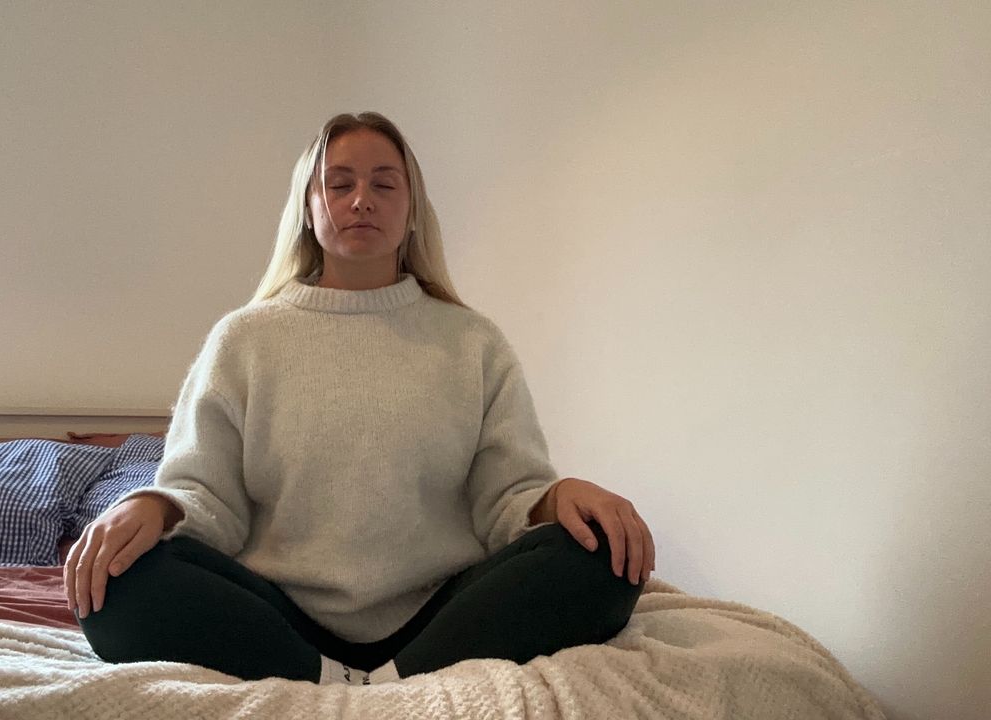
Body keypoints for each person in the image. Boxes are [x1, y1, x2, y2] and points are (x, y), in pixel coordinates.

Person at [64, 111, 655, 685]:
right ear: (308, 209)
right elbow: (205, 498)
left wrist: (557, 496)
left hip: (442, 617)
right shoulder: (244, 339)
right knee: (115, 580)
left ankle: (376, 681)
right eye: (339, 184)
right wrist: (153, 505)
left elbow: (507, 499)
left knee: (603, 552)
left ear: (412, 210)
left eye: (384, 184)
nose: (361, 199)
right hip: (280, 620)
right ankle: (344, 681)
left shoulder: (472, 341)